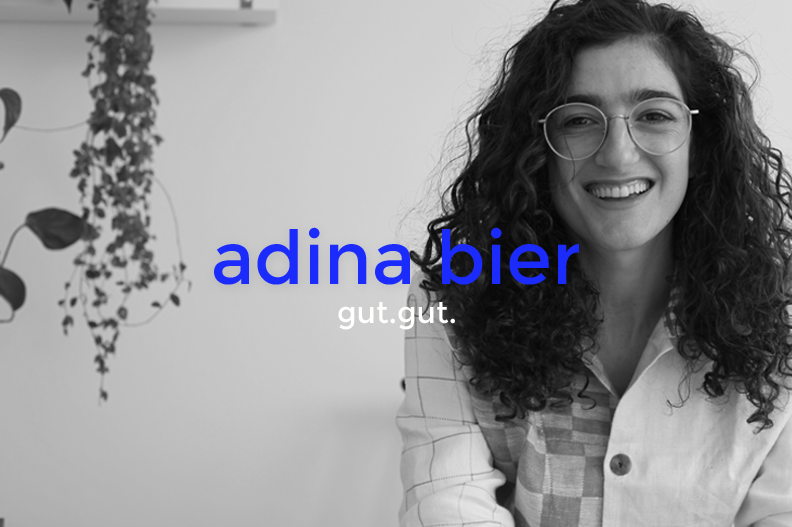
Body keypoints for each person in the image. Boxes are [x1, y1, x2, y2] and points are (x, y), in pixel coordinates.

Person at [397, 0, 792, 525]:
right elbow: (447, 506)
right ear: (534, 149)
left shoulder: (780, 310)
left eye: (654, 115)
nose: (619, 155)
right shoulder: (451, 298)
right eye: (580, 120)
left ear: (701, 144)